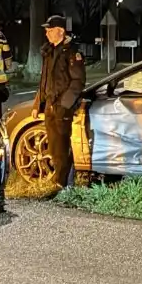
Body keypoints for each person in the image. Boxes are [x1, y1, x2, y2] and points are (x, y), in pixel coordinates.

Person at [32, 15, 86, 191]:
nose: (46, 33)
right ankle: (60, 181)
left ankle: (62, 183)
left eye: (50, 30)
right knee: (54, 146)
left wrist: (65, 104)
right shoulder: (49, 51)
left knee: (62, 146)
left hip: (62, 106)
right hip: (50, 104)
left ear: (61, 31)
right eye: (46, 30)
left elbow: (78, 81)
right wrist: (37, 104)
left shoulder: (71, 52)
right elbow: (44, 81)